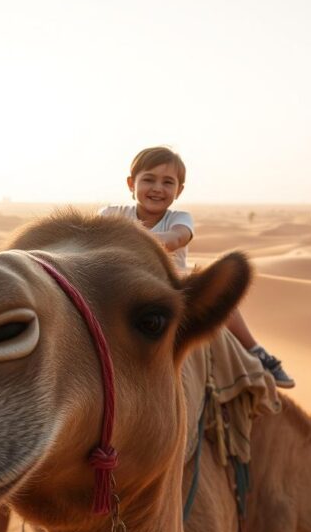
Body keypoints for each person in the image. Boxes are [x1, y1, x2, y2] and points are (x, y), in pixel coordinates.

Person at [98, 146, 295, 388]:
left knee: (220, 295)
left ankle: (256, 352)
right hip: (120, 289)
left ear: (178, 190)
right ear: (131, 183)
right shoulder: (111, 214)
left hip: (170, 289)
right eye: (149, 179)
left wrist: (129, 240)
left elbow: (175, 238)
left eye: (168, 182)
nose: (158, 188)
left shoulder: (180, 219)